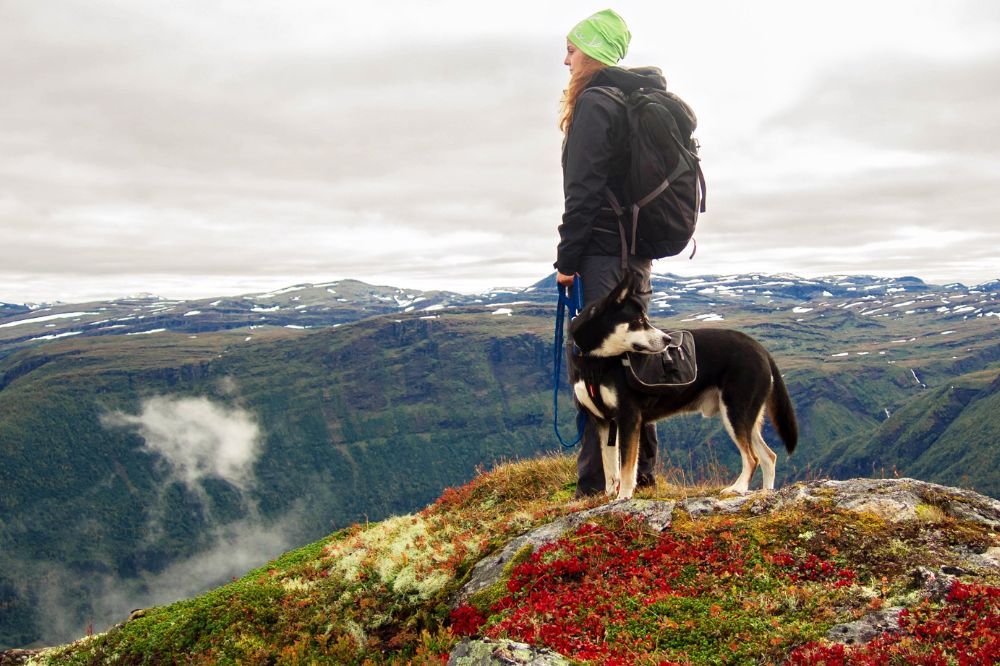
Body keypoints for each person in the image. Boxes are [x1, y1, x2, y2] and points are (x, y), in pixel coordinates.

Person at [555, 9, 663, 497]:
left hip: (602, 253)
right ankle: (638, 475)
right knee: (632, 360)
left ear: (593, 52)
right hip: (634, 255)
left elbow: (583, 192)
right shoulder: (626, 101)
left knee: (597, 365)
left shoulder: (596, 104)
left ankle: (594, 486)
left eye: (573, 49)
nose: (566, 59)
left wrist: (566, 259)